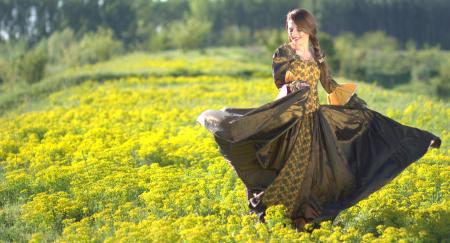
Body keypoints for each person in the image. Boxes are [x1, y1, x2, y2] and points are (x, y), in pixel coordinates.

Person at [196, 8, 441, 231]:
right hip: (291, 121)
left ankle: (304, 218)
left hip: (315, 122)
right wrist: (300, 71)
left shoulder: (317, 54)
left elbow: (328, 85)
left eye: (299, 29)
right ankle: (283, 216)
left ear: (309, 29)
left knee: (317, 172)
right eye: (290, 29)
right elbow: (281, 82)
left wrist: (353, 103)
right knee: (290, 170)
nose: (294, 33)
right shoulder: (283, 53)